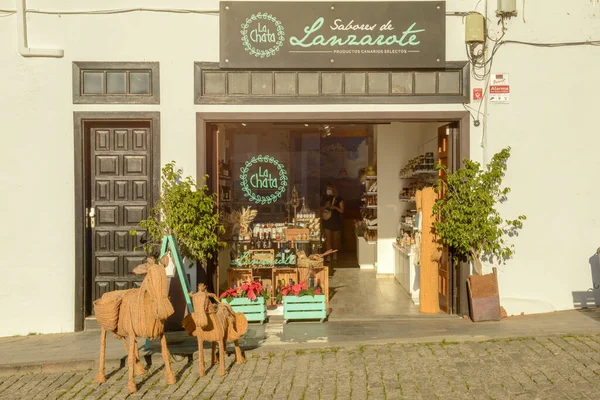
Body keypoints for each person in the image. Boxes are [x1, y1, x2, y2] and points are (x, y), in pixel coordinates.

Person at [321, 183, 344, 261]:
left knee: (335, 240)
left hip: (335, 220)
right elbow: (320, 209)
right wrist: (325, 207)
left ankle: (335, 254)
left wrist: (334, 207)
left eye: (329, 189)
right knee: (328, 239)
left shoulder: (339, 198)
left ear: (333, 189)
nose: (328, 191)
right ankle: (328, 256)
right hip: (327, 220)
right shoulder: (324, 198)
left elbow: (342, 210)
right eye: (327, 189)